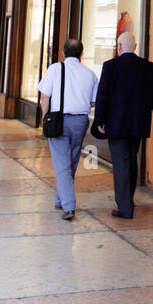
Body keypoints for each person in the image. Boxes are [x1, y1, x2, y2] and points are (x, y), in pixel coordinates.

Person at [92, 30, 153, 219]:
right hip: (138, 124)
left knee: (120, 165)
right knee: (132, 161)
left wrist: (99, 119)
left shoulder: (110, 66)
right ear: (135, 47)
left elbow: (103, 95)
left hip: (116, 125)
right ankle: (128, 199)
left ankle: (125, 208)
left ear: (119, 47)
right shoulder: (148, 67)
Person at [39, 39, 98, 221]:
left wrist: (45, 116)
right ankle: (60, 198)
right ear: (81, 54)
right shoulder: (89, 74)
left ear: (63, 53)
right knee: (71, 162)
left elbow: (44, 96)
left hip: (59, 119)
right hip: (80, 121)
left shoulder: (55, 69)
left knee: (61, 164)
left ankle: (69, 205)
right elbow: (94, 101)